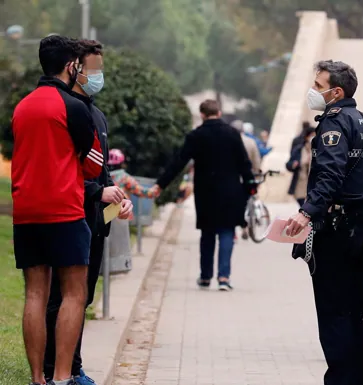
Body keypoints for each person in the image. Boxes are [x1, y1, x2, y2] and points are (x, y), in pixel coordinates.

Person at [286, 60, 363, 385]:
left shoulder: (334, 123)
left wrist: (306, 213)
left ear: (336, 92)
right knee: (352, 315)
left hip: (336, 231)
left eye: (318, 86)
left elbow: (329, 174)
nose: (313, 91)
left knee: (333, 316)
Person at [11, 35, 104, 385]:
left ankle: (38, 379)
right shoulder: (74, 107)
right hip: (64, 209)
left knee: (35, 293)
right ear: (71, 66)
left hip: (26, 212)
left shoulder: (23, 106)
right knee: (73, 293)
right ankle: (63, 377)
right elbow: (94, 163)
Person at [42, 39, 133, 385]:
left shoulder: (96, 114)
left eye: (100, 69)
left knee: (83, 298)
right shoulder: (65, 110)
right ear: (74, 67)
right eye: (93, 69)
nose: (98, 76)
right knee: (61, 298)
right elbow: (62, 172)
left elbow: (101, 170)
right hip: (67, 217)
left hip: (95, 220)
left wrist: (116, 198)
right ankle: (55, 369)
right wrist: (97, 191)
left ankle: (74, 366)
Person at [151, 100, 255, 291]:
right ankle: (224, 277)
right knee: (226, 232)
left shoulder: (196, 136)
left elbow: (179, 162)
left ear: (202, 114)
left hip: (206, 192)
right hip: (231, 191)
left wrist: (160, 184)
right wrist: (250, 186)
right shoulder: (233, 134)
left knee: (207, 233)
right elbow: (244, 163)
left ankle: (205, 276)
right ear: (220, 112)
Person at [286, 124, 316, 207]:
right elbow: (289, 164)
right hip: (301, 182)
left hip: (314, 183)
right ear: (307, 137)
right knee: (303, 204)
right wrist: (294, 164)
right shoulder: (299, 149)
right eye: (312, 135)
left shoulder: (319, 149)